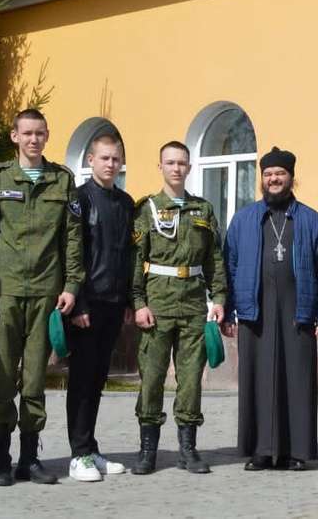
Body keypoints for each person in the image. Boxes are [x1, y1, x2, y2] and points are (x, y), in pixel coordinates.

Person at [0, 108, 84, 486]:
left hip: (45, 295)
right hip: (4, 293)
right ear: (14, 136)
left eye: (40, 133)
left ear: (47, 136)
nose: (34, 139)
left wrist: (71, 286)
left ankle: (29, 459)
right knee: (3, 379)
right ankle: (1, 459)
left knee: (35, 380)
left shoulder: (61, 180)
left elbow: (72, 238)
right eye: (27, 133)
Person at [222, 146, 318, 471]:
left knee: (296, 381)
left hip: (299, 309)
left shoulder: (310, 219)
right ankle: (260, 451)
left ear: (291, 178)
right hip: (254, 309)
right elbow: (229, 264)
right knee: (256, 379)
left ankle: (295, 452)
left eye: (280, 174)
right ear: (262, 179)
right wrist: (228, 310)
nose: (273, 179)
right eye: (268, 174)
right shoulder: (243, 219)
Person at [130, 141, 227, 476]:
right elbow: (135, 260)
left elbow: (215, 258)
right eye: (169, 163)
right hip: (157, 302)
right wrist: (138, 302)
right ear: (160, 166)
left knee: (190, 381)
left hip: (193, 303)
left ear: (189, 167)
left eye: (181, 163)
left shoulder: (203, 209)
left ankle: (188, 449)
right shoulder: (147, 209)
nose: (176, 168)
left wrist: (219, 299)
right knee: (153, 377)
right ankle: (148, 451)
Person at [66, 132, 136, 482]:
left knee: (97, 380)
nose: (110, 164)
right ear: (90, 160)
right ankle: (78, 454)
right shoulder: (78, 200)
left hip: (112, 303)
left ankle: (90, 448)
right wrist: (77, 302)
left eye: (116, 159)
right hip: (86, 305)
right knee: (81, 379)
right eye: (104, 158)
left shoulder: (125, 202)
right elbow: (73, 254)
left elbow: (126, 255)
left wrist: (127, 300)